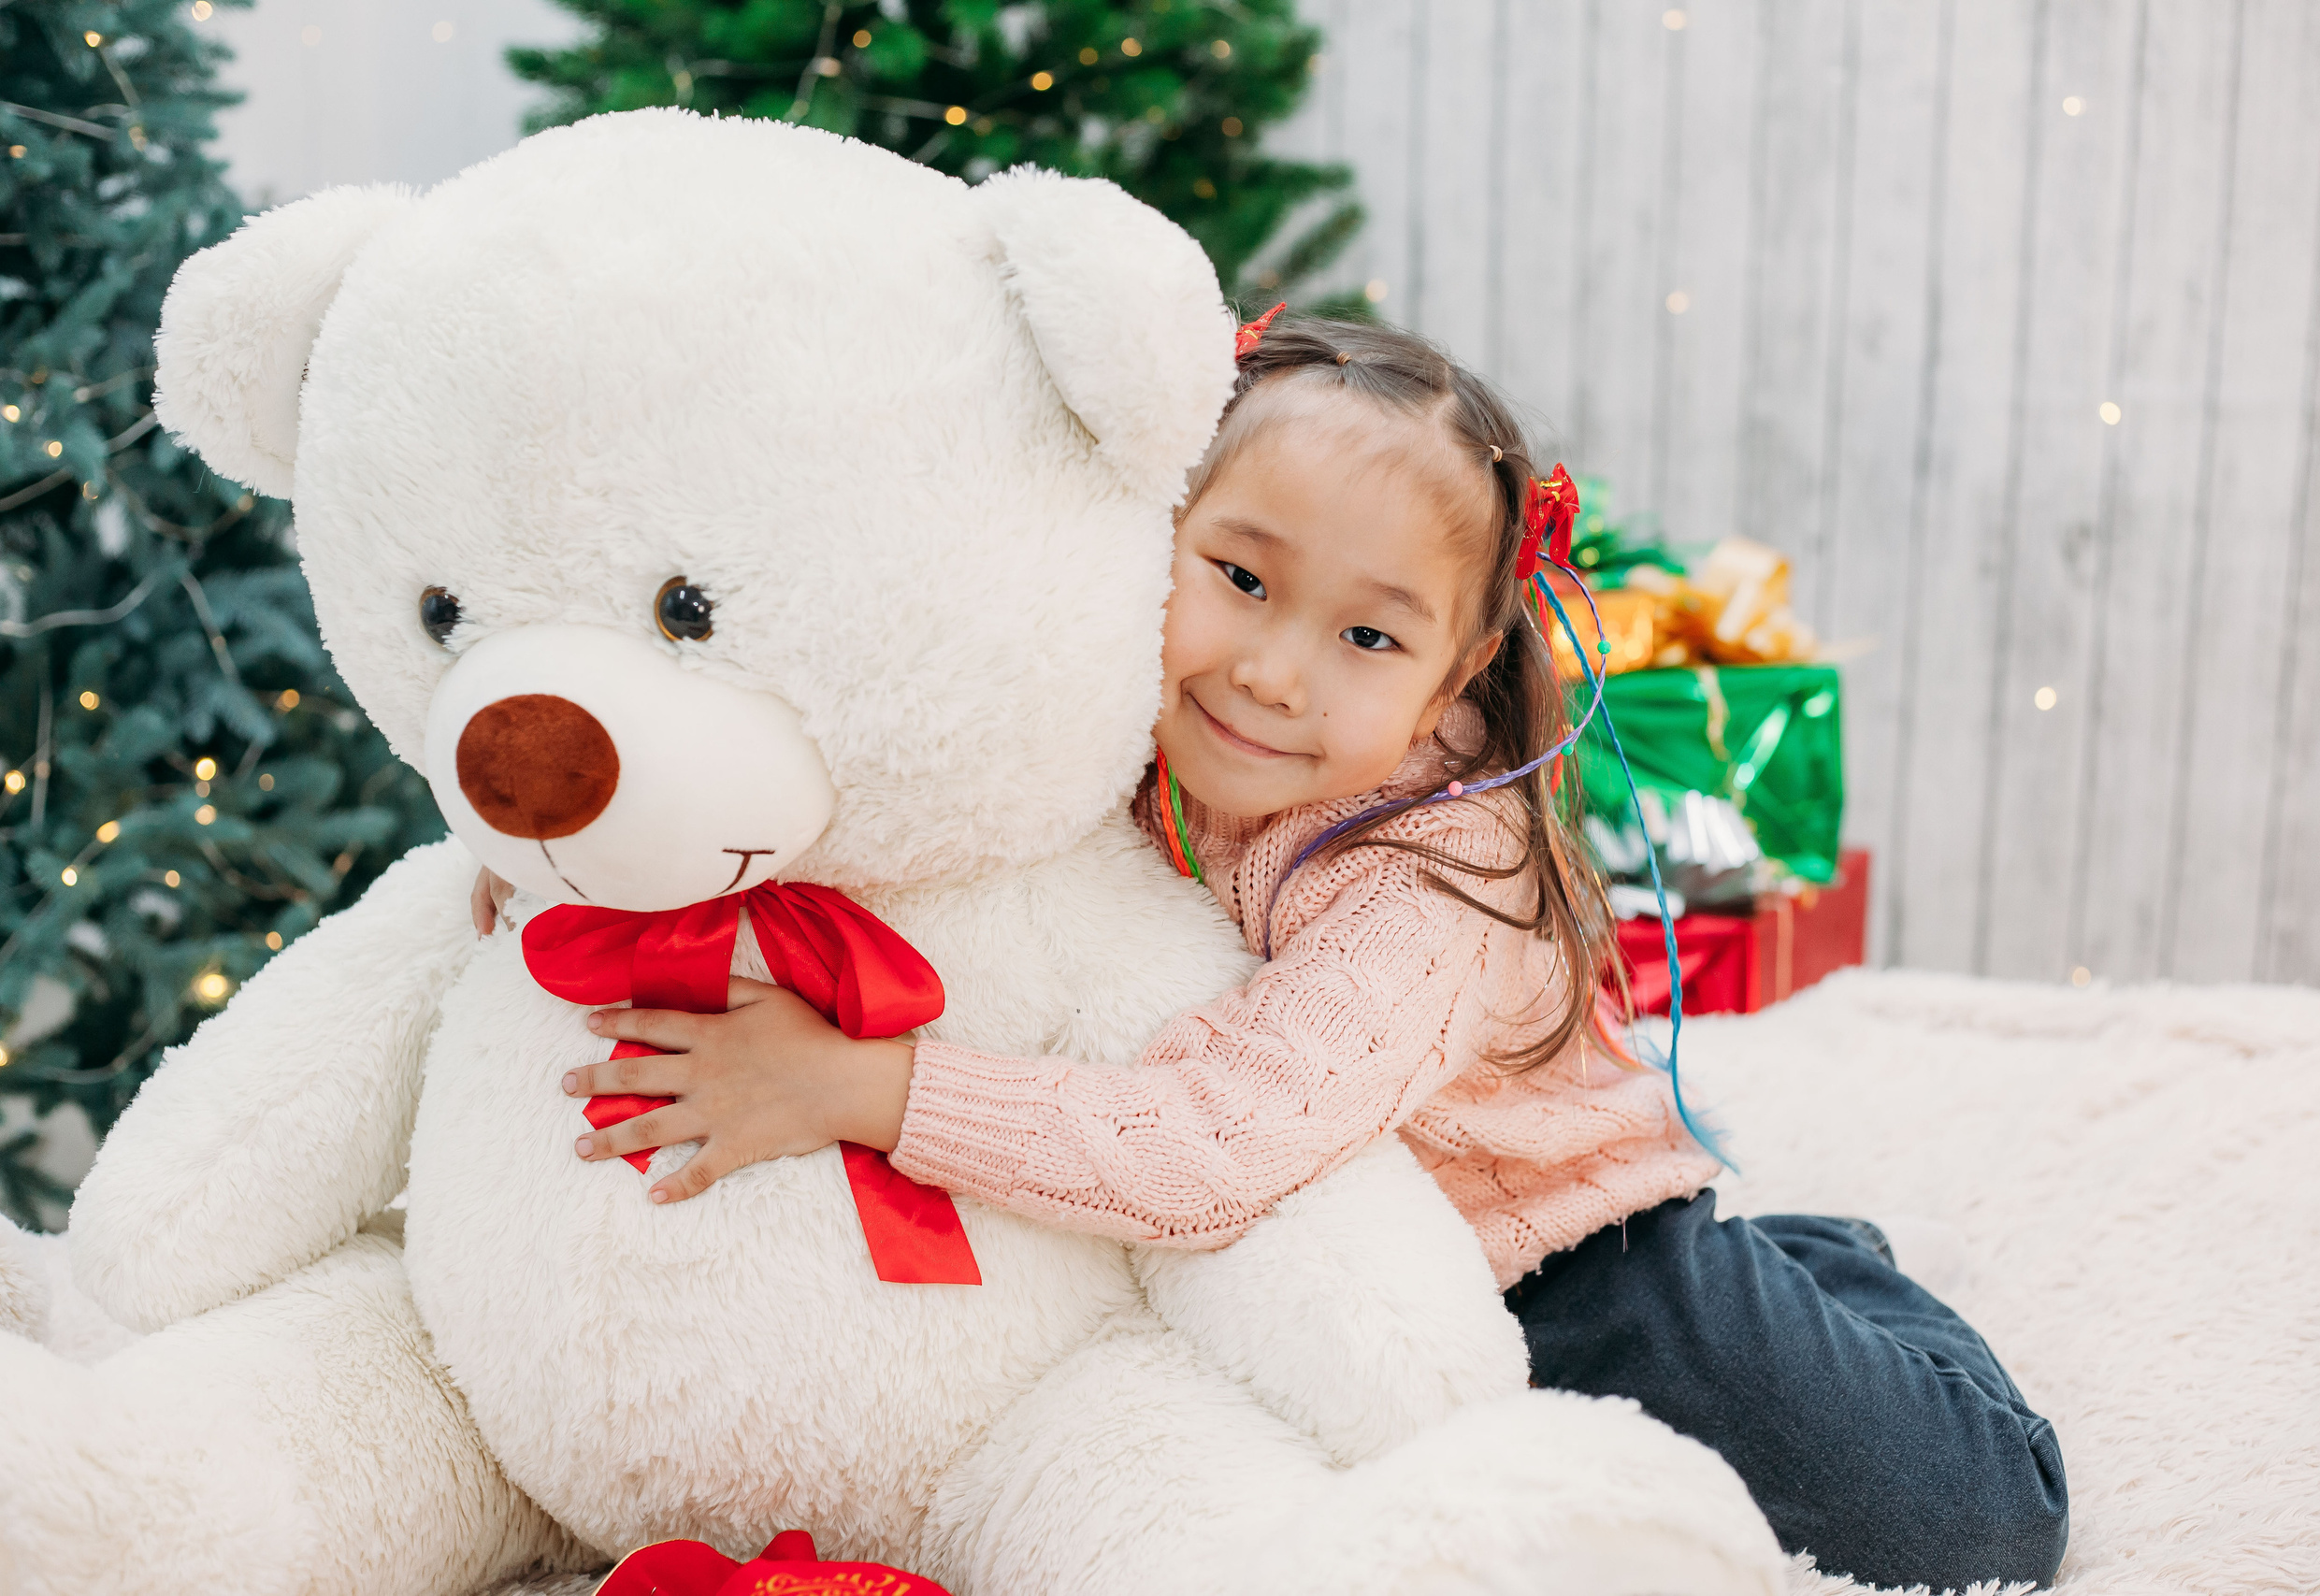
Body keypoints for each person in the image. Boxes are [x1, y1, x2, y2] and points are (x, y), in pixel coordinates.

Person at [471, 311, 2068, 1590]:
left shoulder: (1429, 880)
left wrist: (863, 1088)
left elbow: (1211, 1145)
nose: (1276, 674)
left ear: (1455, 677)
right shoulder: (1122, 721)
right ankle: (1812, 1269)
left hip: (1574, 1267)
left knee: (1970, 1527)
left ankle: (1838, 1280)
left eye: (1368, 635)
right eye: (1239, 578)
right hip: (1324, 1276)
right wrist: (602, 876)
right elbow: (905, 806)